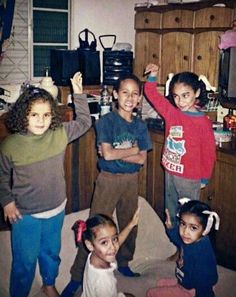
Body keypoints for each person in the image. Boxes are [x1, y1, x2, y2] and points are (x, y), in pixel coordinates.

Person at [0, 72, 91, 297]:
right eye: (34, 115)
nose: (41, 120)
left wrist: (78, 94)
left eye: (46, 115)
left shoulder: (59, 134)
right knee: (24, 260)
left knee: (51, 252)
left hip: (56, 208)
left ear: (53, 116)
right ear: (23, 116)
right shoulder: (11, 145)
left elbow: (84, 122)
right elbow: (1, 177)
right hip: (24, 214)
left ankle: (49, 282)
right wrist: (7, 202)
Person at [61, 73, 152, 296]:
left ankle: (124, 262)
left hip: (131, 180)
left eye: (134, 94)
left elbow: (140, 159)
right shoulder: (106, 121)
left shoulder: (140, 125)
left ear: (140, 98)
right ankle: (76, 276)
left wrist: (119, 153)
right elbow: (108, 156)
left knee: (131, 221)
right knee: (94, 227)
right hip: (108, 180)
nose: (130, 98)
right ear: (115, 94)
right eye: (124, 92)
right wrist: (131, 150)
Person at [144, 64, 216, 226]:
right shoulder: (171, 113)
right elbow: (151, 94)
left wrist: (205, 178)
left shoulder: (203, 122)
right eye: (176, 96)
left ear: (196, 93)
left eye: (185, 95)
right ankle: (174, 242)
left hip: (190, 178)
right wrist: (153, 75)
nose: (180, 101)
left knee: (189, 216)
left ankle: (187, 248)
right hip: (170, 171)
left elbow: (209, 152)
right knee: (171, 213)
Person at [147, 199, 220, 297]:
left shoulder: (203, 255)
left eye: (193, 228)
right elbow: (177, 239)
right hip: (185, 280)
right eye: (183, 224)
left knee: (151, 293)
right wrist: (169, 229)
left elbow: (207, 281)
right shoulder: (190, 239)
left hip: (193, 290)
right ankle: (180, 286)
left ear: (205, 229)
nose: (185, 232)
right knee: (160, 282)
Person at [75, 208, 140, 297]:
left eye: (114, 239)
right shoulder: (103, 282)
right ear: (90, 245)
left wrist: (131, 224)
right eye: (104, 242)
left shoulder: (94, 255)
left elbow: (117, 242)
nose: (113, 247)